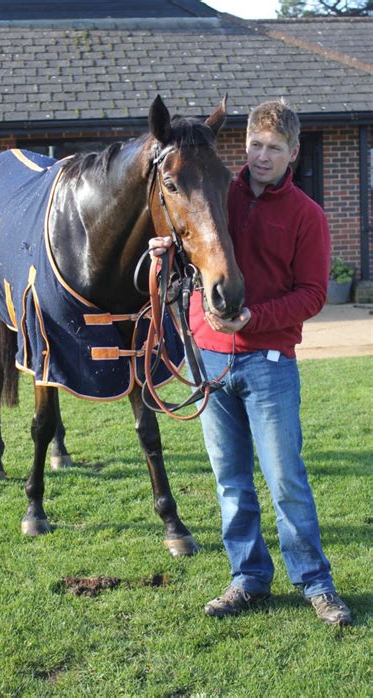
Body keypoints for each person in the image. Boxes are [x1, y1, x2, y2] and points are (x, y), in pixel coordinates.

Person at [150, 100, 352, 626]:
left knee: (285, 478)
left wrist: (254, 319)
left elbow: (312, 295)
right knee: (231, 480)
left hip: (268, 363)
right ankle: (248, 578)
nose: (261, 157)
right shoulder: (219, 189)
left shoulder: (308, 216)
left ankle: (316, 583)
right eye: (255, 146)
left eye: (274, 149)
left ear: (293, 152)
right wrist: (162, 252)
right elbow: (190, 239)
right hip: (211, 362)